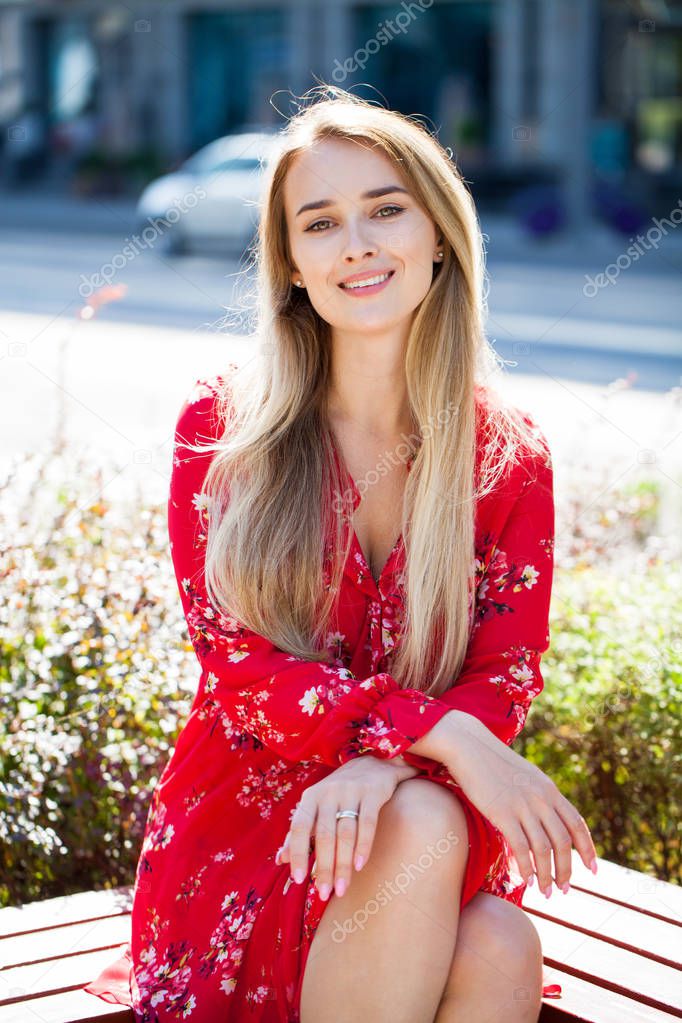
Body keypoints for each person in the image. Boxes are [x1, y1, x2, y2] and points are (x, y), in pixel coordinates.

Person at [84, 84, 597, 1022]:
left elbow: (505, 672)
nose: (356, 243)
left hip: (418, 817)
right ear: (291, 265)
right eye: (319, 223)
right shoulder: (223, 431)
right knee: (466, 878)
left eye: (386, 209)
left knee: (500, 937)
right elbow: (239, 668)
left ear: (439, 233)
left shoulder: (508, 457)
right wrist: (435, 736)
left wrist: (383, 759)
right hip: (251, 830)